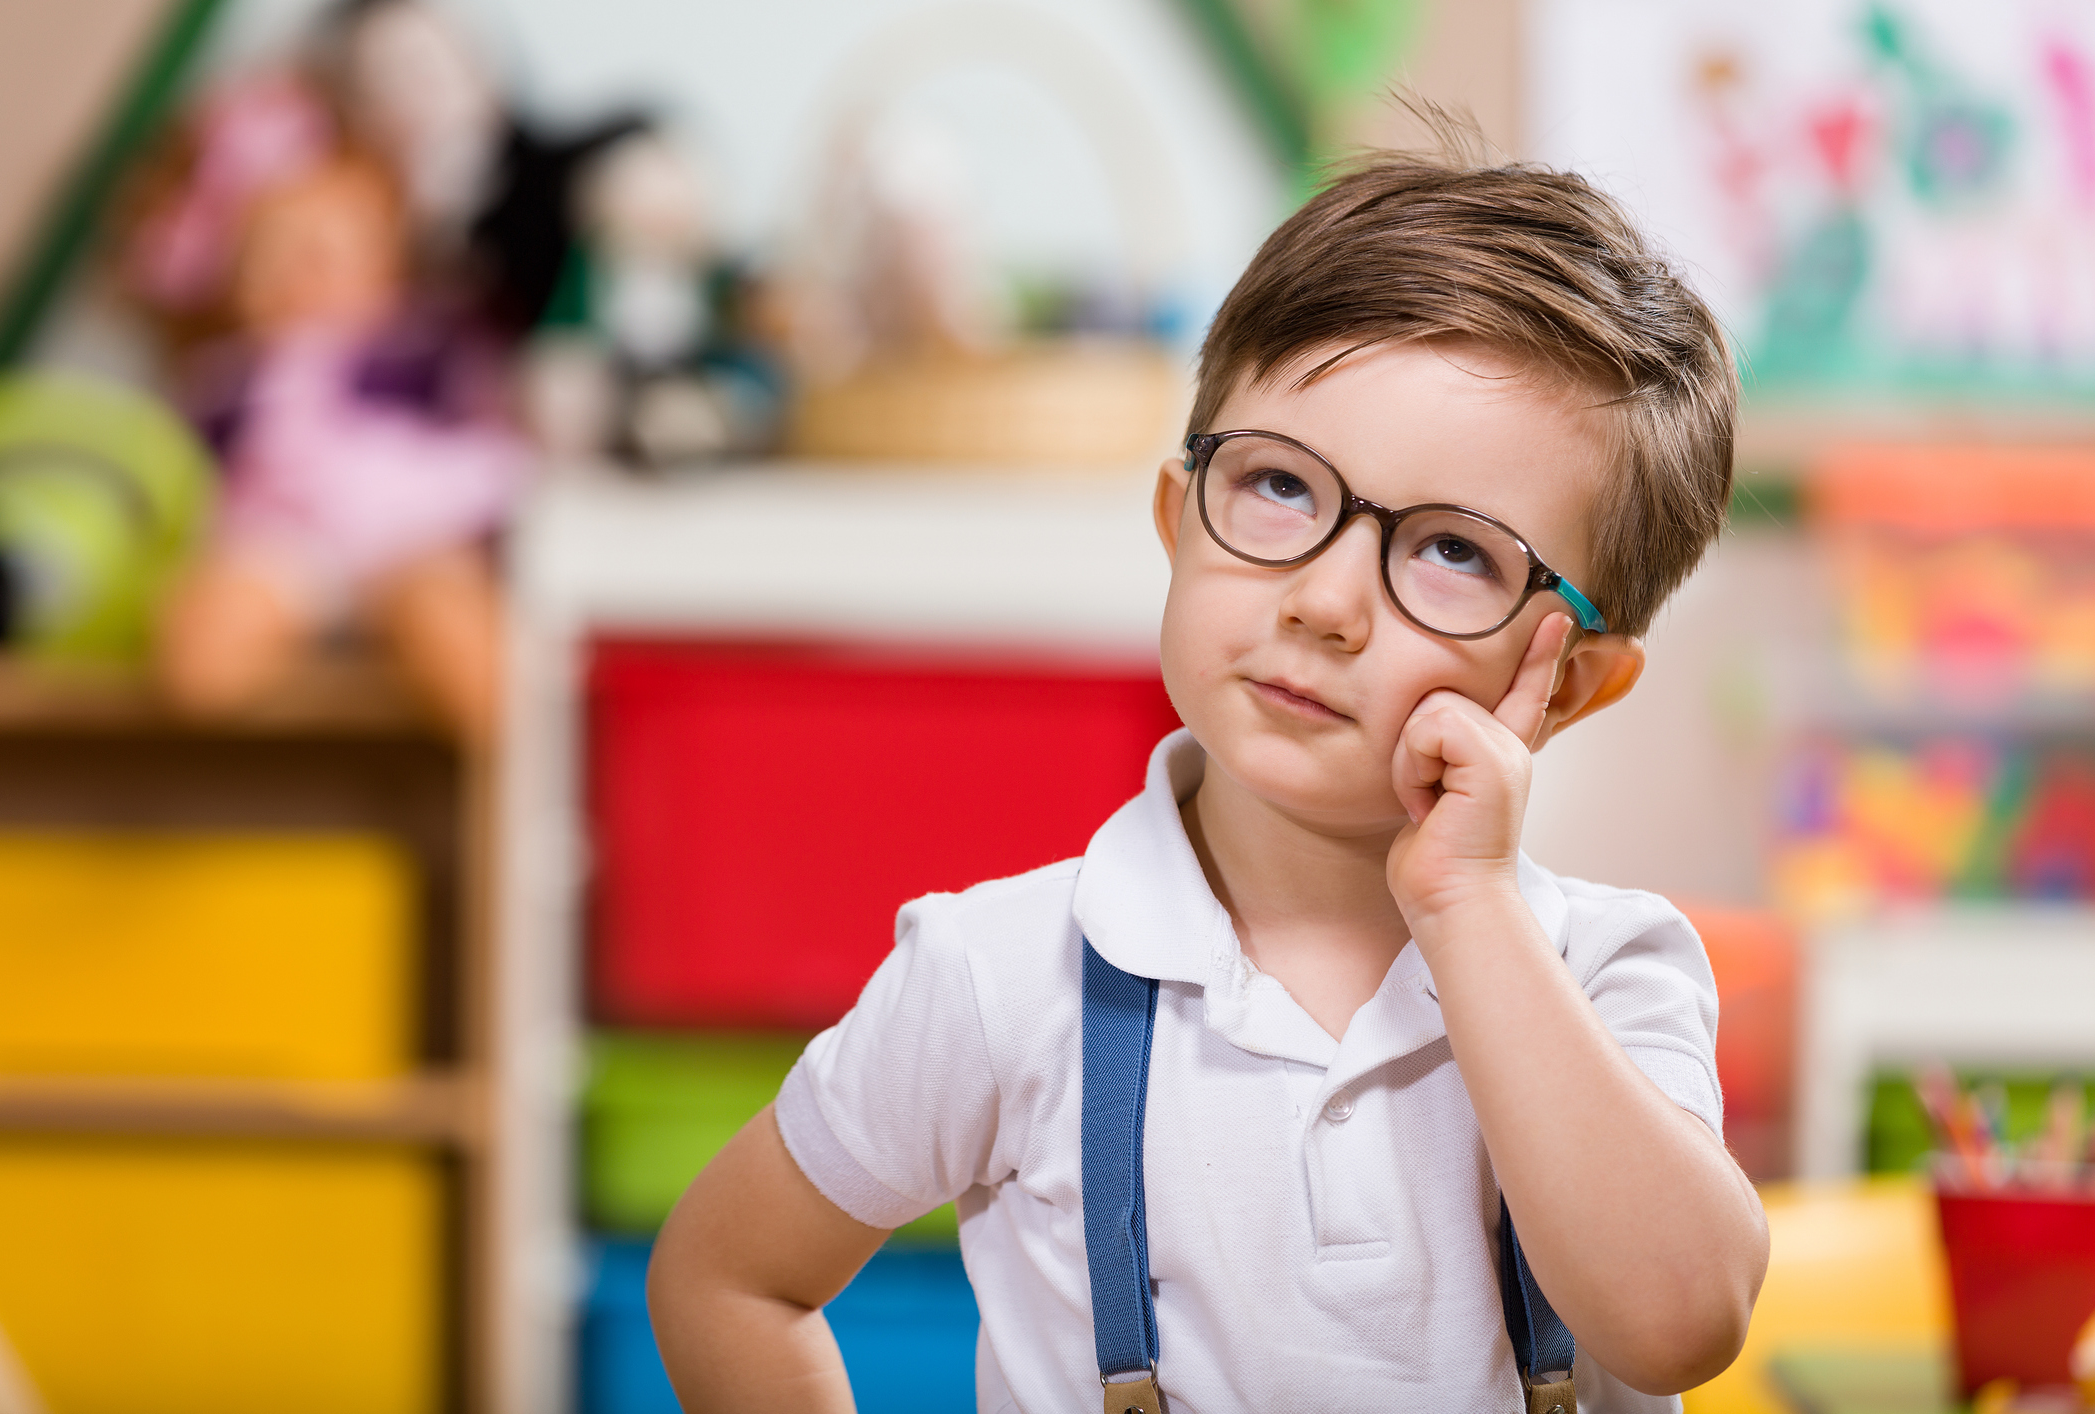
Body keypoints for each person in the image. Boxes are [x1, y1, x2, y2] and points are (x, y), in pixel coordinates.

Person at [647, 143, 1770, 1412]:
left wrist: (1471, 906)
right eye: (1282, 485)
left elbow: (1682, 1321)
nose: (1328, 600)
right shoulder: (1002, 975)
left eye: (1454, 550)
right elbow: (726, 1275)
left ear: (1565, 683)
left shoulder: (1608, 972)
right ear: (1181, 522)